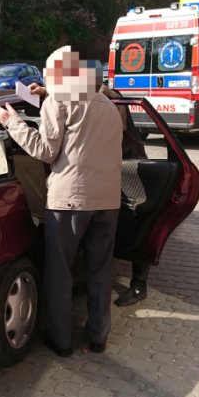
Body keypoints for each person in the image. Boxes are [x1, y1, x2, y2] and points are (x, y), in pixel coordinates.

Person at [0, 47, 122, 356]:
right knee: (100, 270)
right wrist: (46, 93)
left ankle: (62, 341)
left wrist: (13, 122)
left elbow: (45, 150)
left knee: (60, 272)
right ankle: (97, 338)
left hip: (70, 201)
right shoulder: (108, 104)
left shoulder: (57, 101)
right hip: (108, 200)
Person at [28, 66, 151, 308]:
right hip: (103, 171)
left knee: (137, 222)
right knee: (96, 232)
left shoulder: (109, 97)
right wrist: (46, 93)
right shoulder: (87, 95)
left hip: (128, 163)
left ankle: (139, 284)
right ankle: (91, 280)